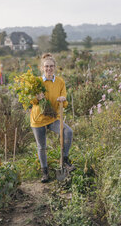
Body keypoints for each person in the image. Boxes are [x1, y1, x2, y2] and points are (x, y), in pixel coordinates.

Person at [30, 53, 76, 183]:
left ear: (55, 67)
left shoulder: (60, 82)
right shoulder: (37, 82)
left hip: (52, 117)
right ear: (42, 68)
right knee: (42, 147)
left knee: (68, 132)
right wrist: (36, 98)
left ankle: (65, 160)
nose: (49, 68)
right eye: (46, 66)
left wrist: (63, 99)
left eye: (51, 66)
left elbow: (65, 101)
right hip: (38, 118)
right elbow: (31, 101)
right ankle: (44, 172)